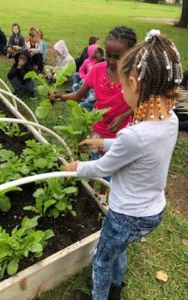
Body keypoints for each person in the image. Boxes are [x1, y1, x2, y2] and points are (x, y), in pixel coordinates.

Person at [65, 30, 180, 300]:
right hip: (152, 212)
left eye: (124, 87)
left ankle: (99, 297)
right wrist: (102, 143)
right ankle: (116, 287)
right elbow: (137, 148)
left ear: (133, 82)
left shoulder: (133, 134)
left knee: (102, 259)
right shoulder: (169, 119)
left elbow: (101, 169)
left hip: (125, 215)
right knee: (118, 250)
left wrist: (77, 167)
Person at [51, 26, 137, 160]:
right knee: (93, 162)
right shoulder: (97, 70)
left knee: (111, 170)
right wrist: (60, 97)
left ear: (131, 54)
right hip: (97, 127)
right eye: (108, 55)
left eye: (118, 57)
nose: (111, 61)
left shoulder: (134, 75)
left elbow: (141, 102)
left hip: (121, 132)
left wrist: (122, 116)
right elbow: (79, 95)